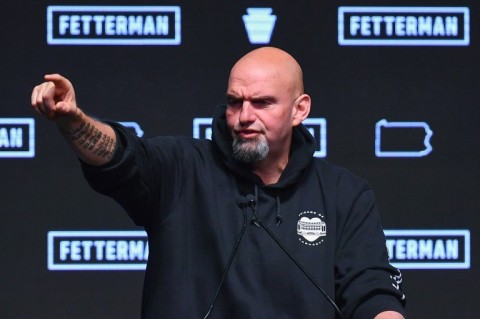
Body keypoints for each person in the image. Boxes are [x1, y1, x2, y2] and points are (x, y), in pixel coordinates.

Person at [31, 47, 407, 319]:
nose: (244, 116)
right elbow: (122, 158)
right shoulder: (182, 169)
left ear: (300, 110)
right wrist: (73, 121)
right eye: (234, 102)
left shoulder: (344, 193)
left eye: (262, 103)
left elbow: (370, 290)